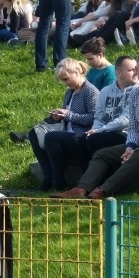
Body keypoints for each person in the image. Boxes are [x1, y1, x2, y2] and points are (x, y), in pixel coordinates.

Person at [55, 50, 139, 199]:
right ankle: (81, 188)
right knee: (102, 154)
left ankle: (103, 190)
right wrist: (131, 145)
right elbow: (134, 126)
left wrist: (137, 149)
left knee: (138, 154)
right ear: (137, 70)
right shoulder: (136, 92)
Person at [28, 59, 98, 191]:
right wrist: (57, 116)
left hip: (82, 135)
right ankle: (48, 177)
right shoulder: (69, 93)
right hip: (66, 132)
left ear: (77, 73)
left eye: (66, 79)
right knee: (34, 133)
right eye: (62, 80)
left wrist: (68, 115)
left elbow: (94, 118)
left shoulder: (90, 91)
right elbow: (66, 115)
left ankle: (57, 182)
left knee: (51, 137)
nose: (65, 83)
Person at [83, 55, 139, 156]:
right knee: (78, 141)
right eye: (131, 70)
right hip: (106, 131)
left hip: (128, 134)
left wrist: (99, 130)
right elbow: (99, 117)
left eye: (136, 69)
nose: (136, 73)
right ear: (119, 73)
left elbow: (126, 119)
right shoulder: (105, 91)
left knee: (93, 140)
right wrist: (94, 130)